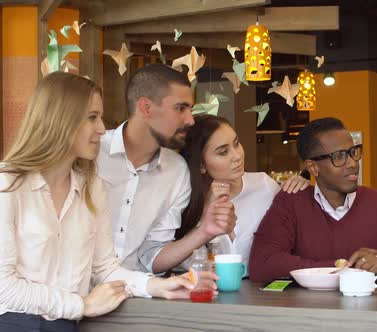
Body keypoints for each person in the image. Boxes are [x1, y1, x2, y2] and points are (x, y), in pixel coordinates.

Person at [0, 72, 216, 331]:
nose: (102, 129)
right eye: (92, 118)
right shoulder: (8, 185)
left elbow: (104, 268)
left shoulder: (90, 185)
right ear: (59, 120)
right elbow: (3, 289)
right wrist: (82, 306)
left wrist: (159, 286)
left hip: (67, 326)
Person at [96, 64, 236, 274]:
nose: (190, 120)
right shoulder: (93, 154)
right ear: (146, 108)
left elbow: (152, 256)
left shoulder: (178, 171)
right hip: (72, 298)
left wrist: (205, 231)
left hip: (138, 297)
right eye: (180, 108)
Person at [248, 117, 377, 283]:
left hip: (368, 308)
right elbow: (262, 265)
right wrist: (341, 268)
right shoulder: (291, 203)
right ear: (313, 167)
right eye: (339, 156)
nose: (353, 163)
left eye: (353, 152)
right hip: (309, 309)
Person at [176, 115, 309, 270]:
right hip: (205, 291)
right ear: (201, 165)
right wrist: (206, 212)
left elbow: (299, 238)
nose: (237, 156)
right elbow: (186, 264)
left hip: (263, 290)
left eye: (237, 144)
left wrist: (301, 192)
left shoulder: (264, 186)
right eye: (223, 152)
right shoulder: (185, 202)